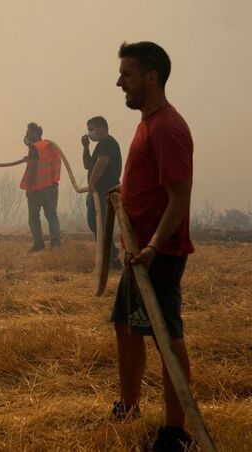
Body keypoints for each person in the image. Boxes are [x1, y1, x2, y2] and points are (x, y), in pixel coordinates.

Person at [108, 41, 195, 452]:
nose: (119, 82)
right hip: (138, 252)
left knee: (166, 338)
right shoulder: (148, 122)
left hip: (157, 255)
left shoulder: (167, 128)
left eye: (126, 74)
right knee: (126, 327)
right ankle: (128, 407)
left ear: (152, 77)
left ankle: (175, 432)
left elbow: (179, 197)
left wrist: (155, 247)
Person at [82, 115, 123, 269]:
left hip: (105, 191)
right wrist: (86, 147)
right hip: (97, 192)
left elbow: (101, 164)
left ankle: (111, 260)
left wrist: (91, 185)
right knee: (97, 225)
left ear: (102, 127)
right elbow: (88, 165)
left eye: (92, 129)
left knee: (101, 225)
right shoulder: (100, 146)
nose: (90, 133)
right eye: (88, 130)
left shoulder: (108, 143)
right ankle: (109, 258)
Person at [20, 122, 62, 252]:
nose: (26, 137)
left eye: (28, 133)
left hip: (37, 189)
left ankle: (39, 245)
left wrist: (29, 188)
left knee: (33, 218)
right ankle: (56, 243)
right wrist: (30, 157)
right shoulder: (49, 146)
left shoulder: (35, 148)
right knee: (52, 215)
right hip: (52, 187)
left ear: (34, 133)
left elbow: (33, 168)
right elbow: (46, 161)